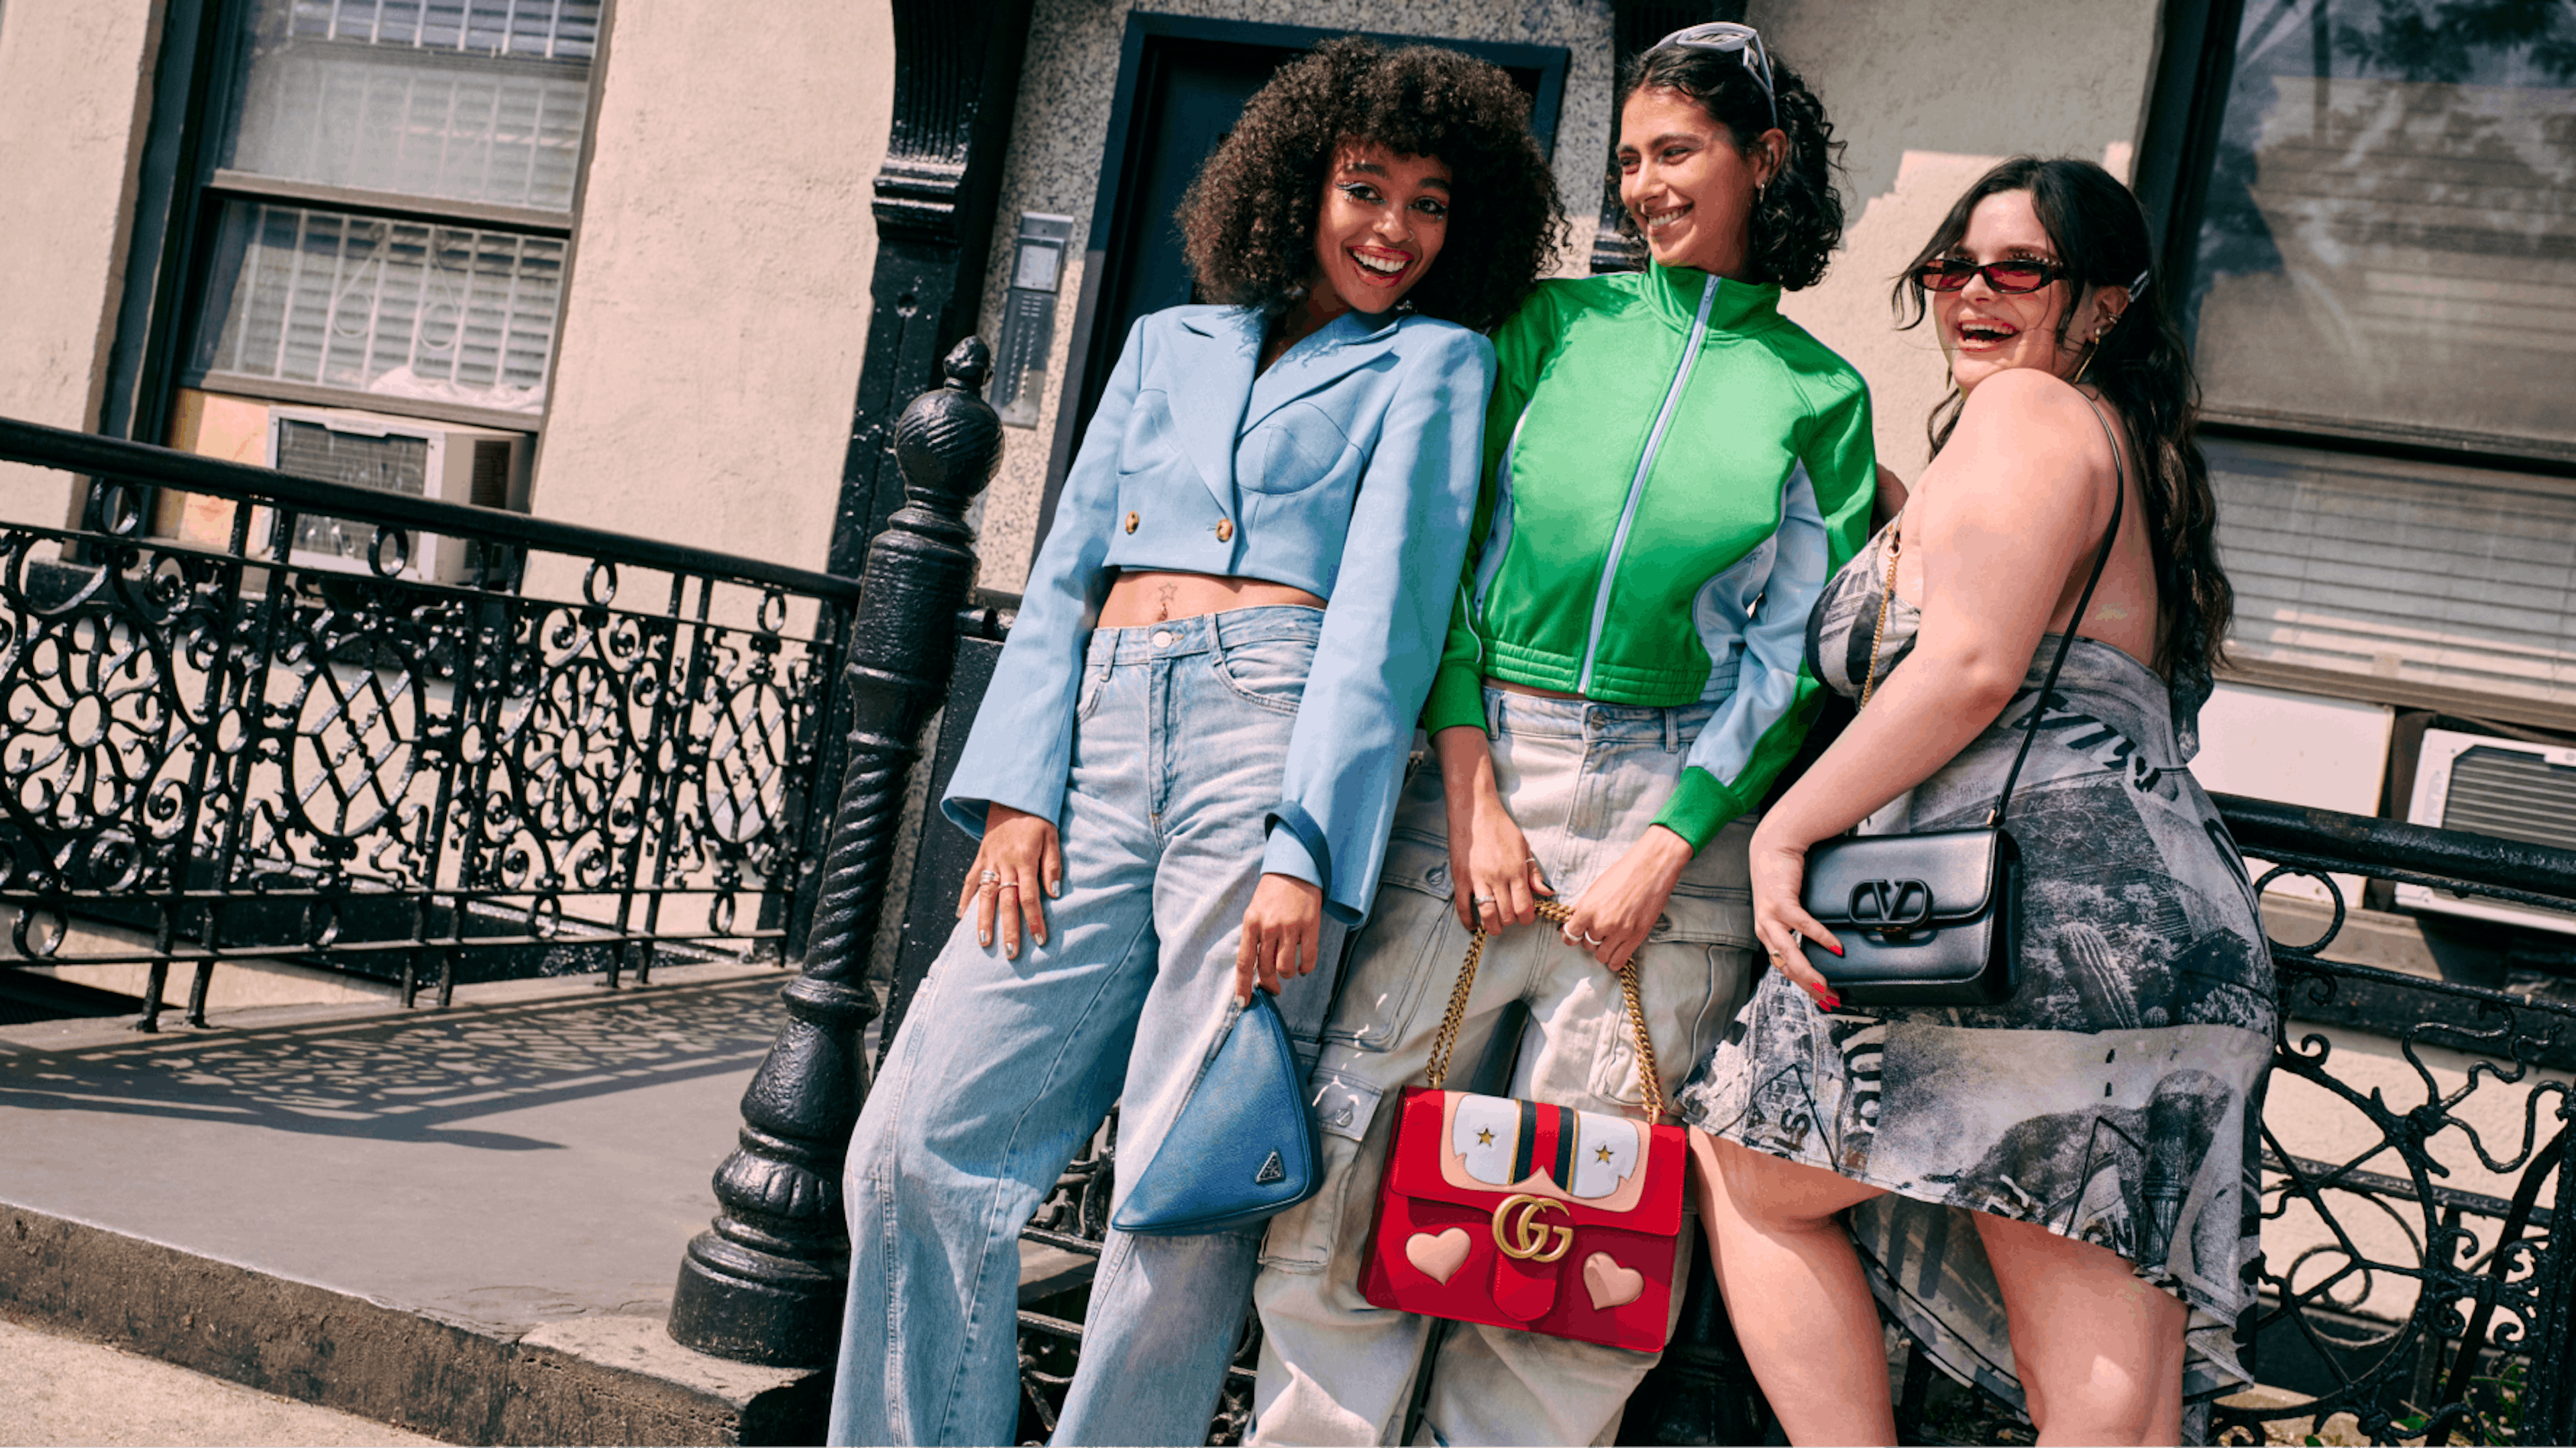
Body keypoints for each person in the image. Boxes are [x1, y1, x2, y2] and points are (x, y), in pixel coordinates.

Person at [824, 38, 1564, 1448]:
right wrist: (1021, 788)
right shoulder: (1171, 341)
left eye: (1427, 204)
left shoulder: (1436, 364)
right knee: (914, 1145)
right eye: (1367, 188)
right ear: (1298, 184)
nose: (1393, 230)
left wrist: (1309, 840)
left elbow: (1392, 616)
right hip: (1097, 734)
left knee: (1186, 1177)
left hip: (1270, 740)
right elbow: (1061, 574)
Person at [1248, 25, 1876, 1447]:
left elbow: (1788, 657)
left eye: (1679, 153)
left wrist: (1667, 845)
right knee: (1348, 1162)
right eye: (1632, 160)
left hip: (1676, 827)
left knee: (1580, 1226)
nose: (1646, 185)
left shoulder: (1820, 395)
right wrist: (1470, 792)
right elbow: (1447, 566)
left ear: (1762, 160)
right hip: (1482, 784)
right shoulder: (1549, 327)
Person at [1674, 156, 2271, 1447]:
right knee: (2114, 1385)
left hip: (2032, 922)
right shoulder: (2130, 456)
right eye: (1954, 265)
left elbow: (1972, 661)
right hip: (2161, 936)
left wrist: (1788, 824)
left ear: (2106, 304)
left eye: (2023, 269)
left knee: (1747, 1165)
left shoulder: (2029, 418)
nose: (1974, 293)